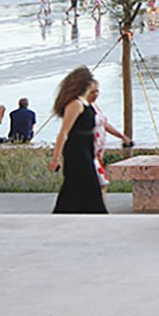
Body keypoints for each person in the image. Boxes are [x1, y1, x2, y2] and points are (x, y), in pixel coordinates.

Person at [50, 67, 106, 214]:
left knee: (79, 183)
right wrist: (56, 158)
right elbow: (64, 132)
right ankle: (93, 213)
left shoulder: (86, 103)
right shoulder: (75, 104)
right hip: (76, 149)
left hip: (86, 147)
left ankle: (71, 211)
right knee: (82, 182)